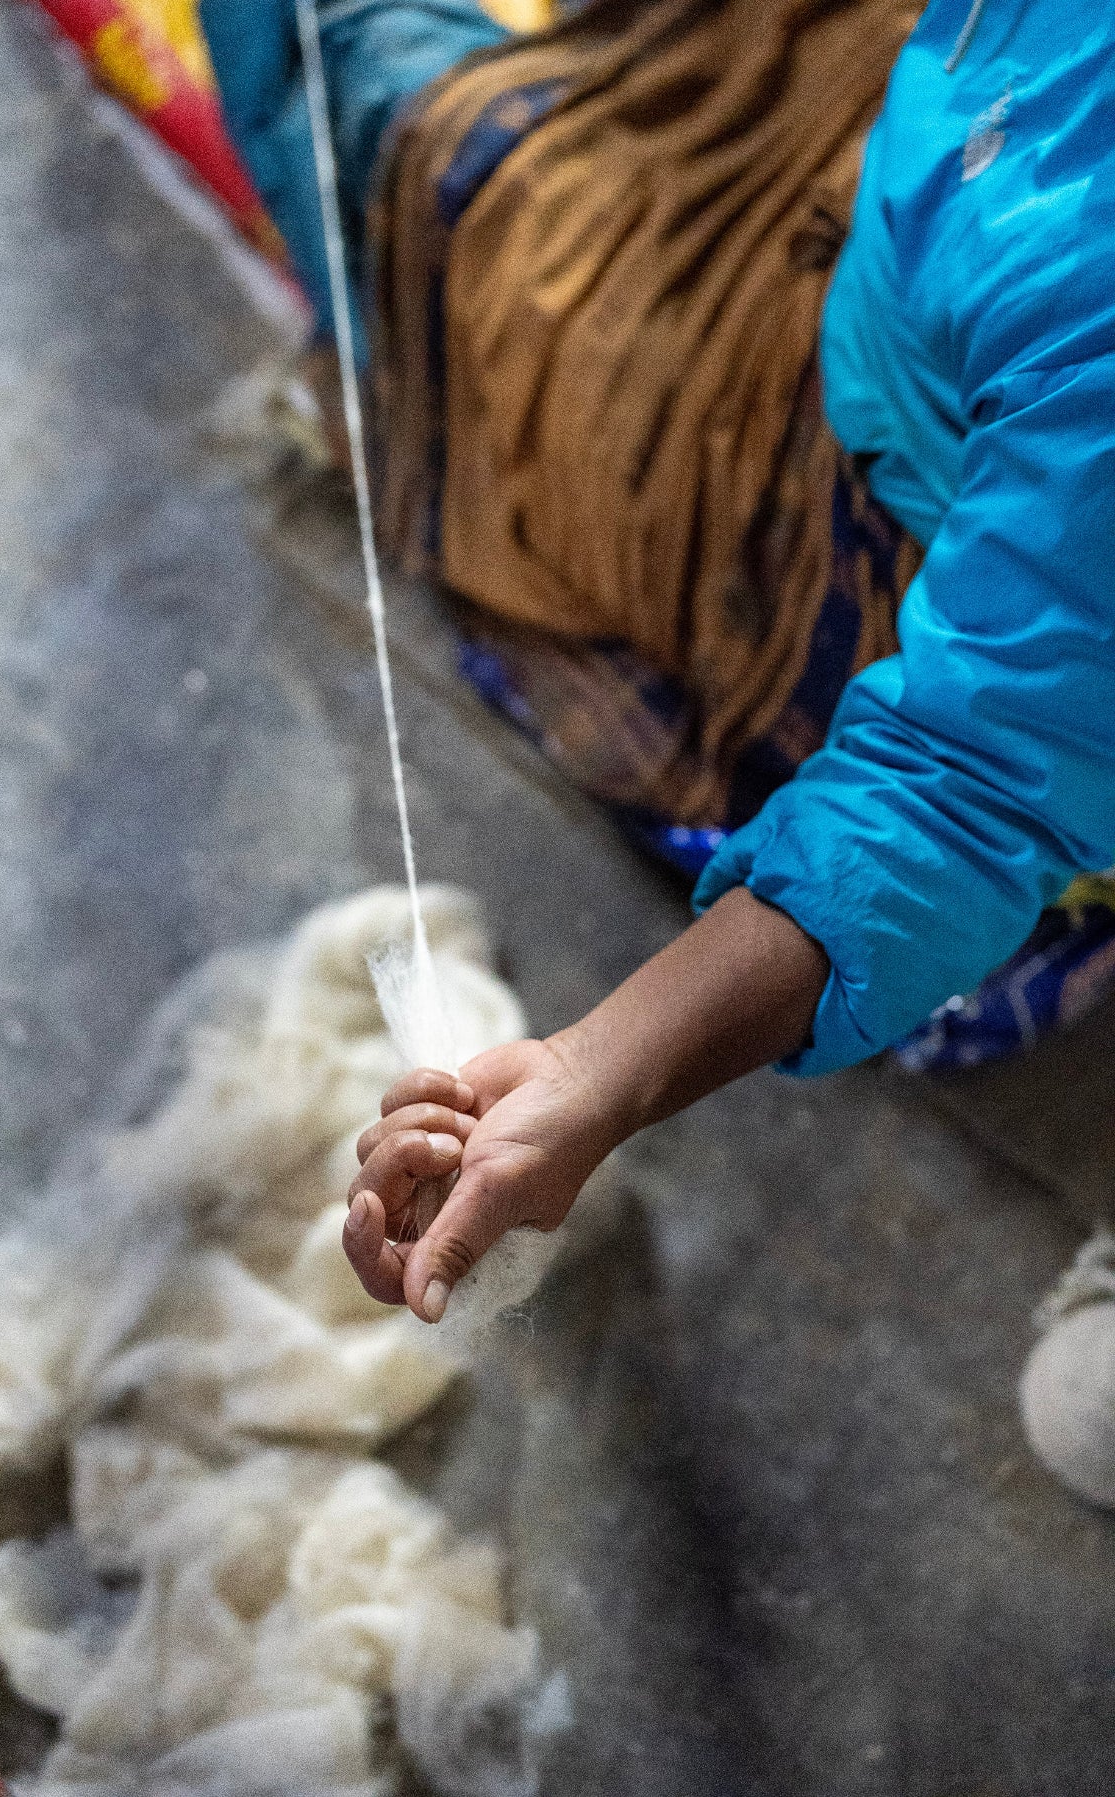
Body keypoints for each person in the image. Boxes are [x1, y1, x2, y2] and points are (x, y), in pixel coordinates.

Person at [335, 0, 1115, 1321]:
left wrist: (599, 1071)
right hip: (918, 200)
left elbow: (961, 789)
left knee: (418, 143)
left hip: (897, 502)